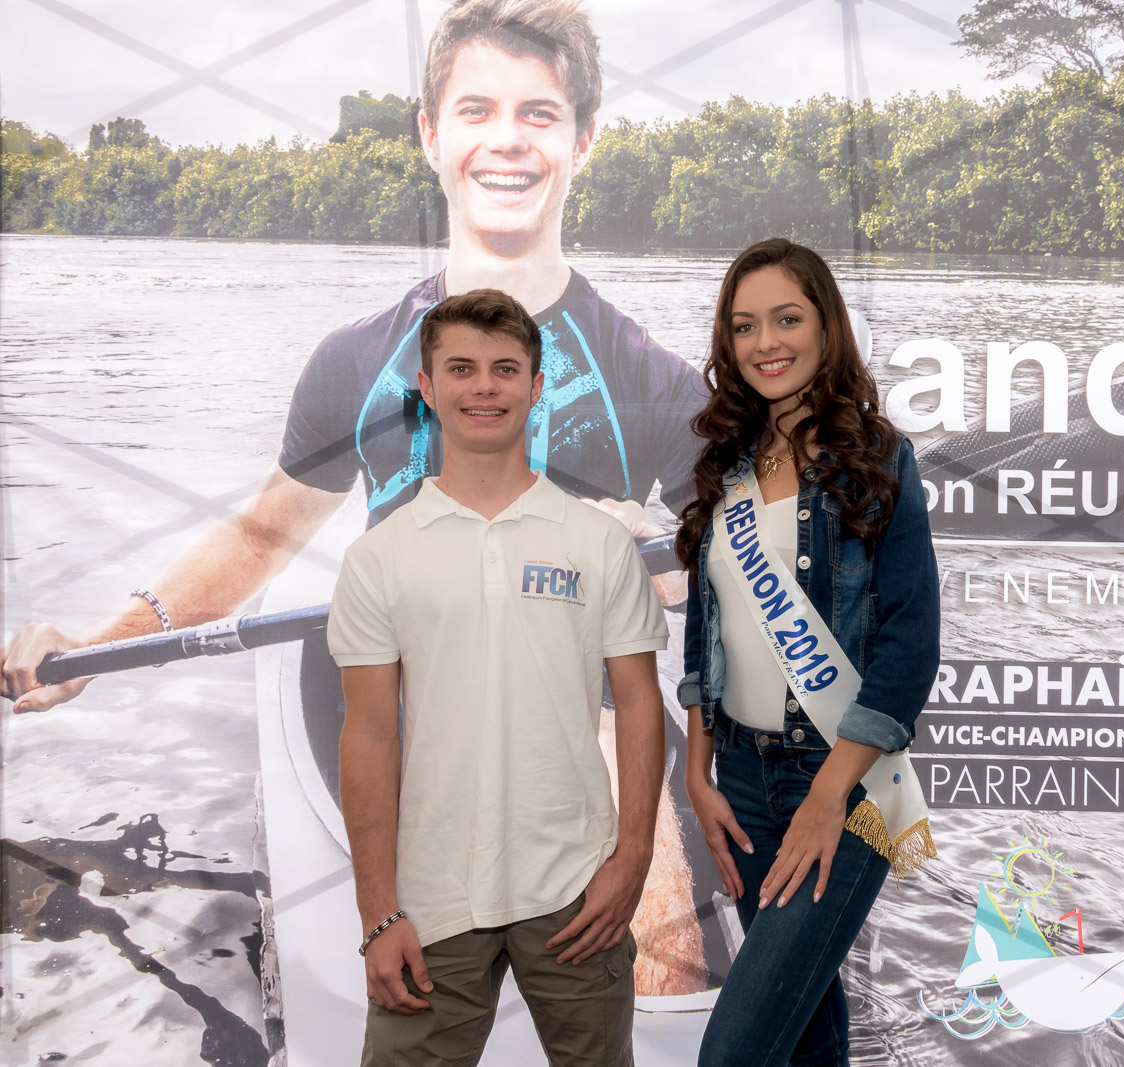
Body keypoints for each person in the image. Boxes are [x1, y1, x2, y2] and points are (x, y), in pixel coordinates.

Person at [2, 0, 708, 995]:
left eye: (539, 115)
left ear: (581, 140)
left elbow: (752, 559)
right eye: (476, 109)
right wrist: (96, 647)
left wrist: (646, 559)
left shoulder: (652, 379)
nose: (506, 139)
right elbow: (256, 543)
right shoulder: (355, 363)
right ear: (431, 134)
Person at [331, 288, 664, 1066]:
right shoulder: (380, 558)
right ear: (427, 385)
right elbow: (372, 734)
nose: (485, 387)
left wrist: (634, 855)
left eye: (506, 369)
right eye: (463, 369)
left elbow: (641, 702)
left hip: (578, 890)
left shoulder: (597, 542)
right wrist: (378, 910)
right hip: (430, 898)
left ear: (536, 385)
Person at [673, 239, 940, 1067]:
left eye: (787, 318)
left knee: (736, 1051)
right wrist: (697, 767)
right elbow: (706, 622)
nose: (766, 342)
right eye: (745, 325)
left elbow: (910, 645)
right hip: (743, 786)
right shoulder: (728, 465)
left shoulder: (878, 457)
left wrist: (829, 795)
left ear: (827, 328)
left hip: (846, 786)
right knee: (809, 1034)